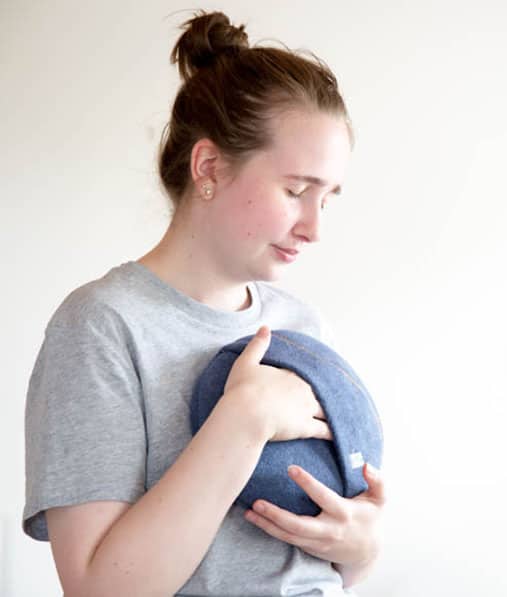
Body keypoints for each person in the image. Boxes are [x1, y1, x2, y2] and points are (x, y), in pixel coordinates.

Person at [22, 9, 385, 596]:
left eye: (327, 199)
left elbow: (332, 563)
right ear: (209, 166)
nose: (315, 227)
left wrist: (361, 548)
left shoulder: (303, 325)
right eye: (296, 190)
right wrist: (244, 421)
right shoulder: (102, 327)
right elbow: (98, 590)